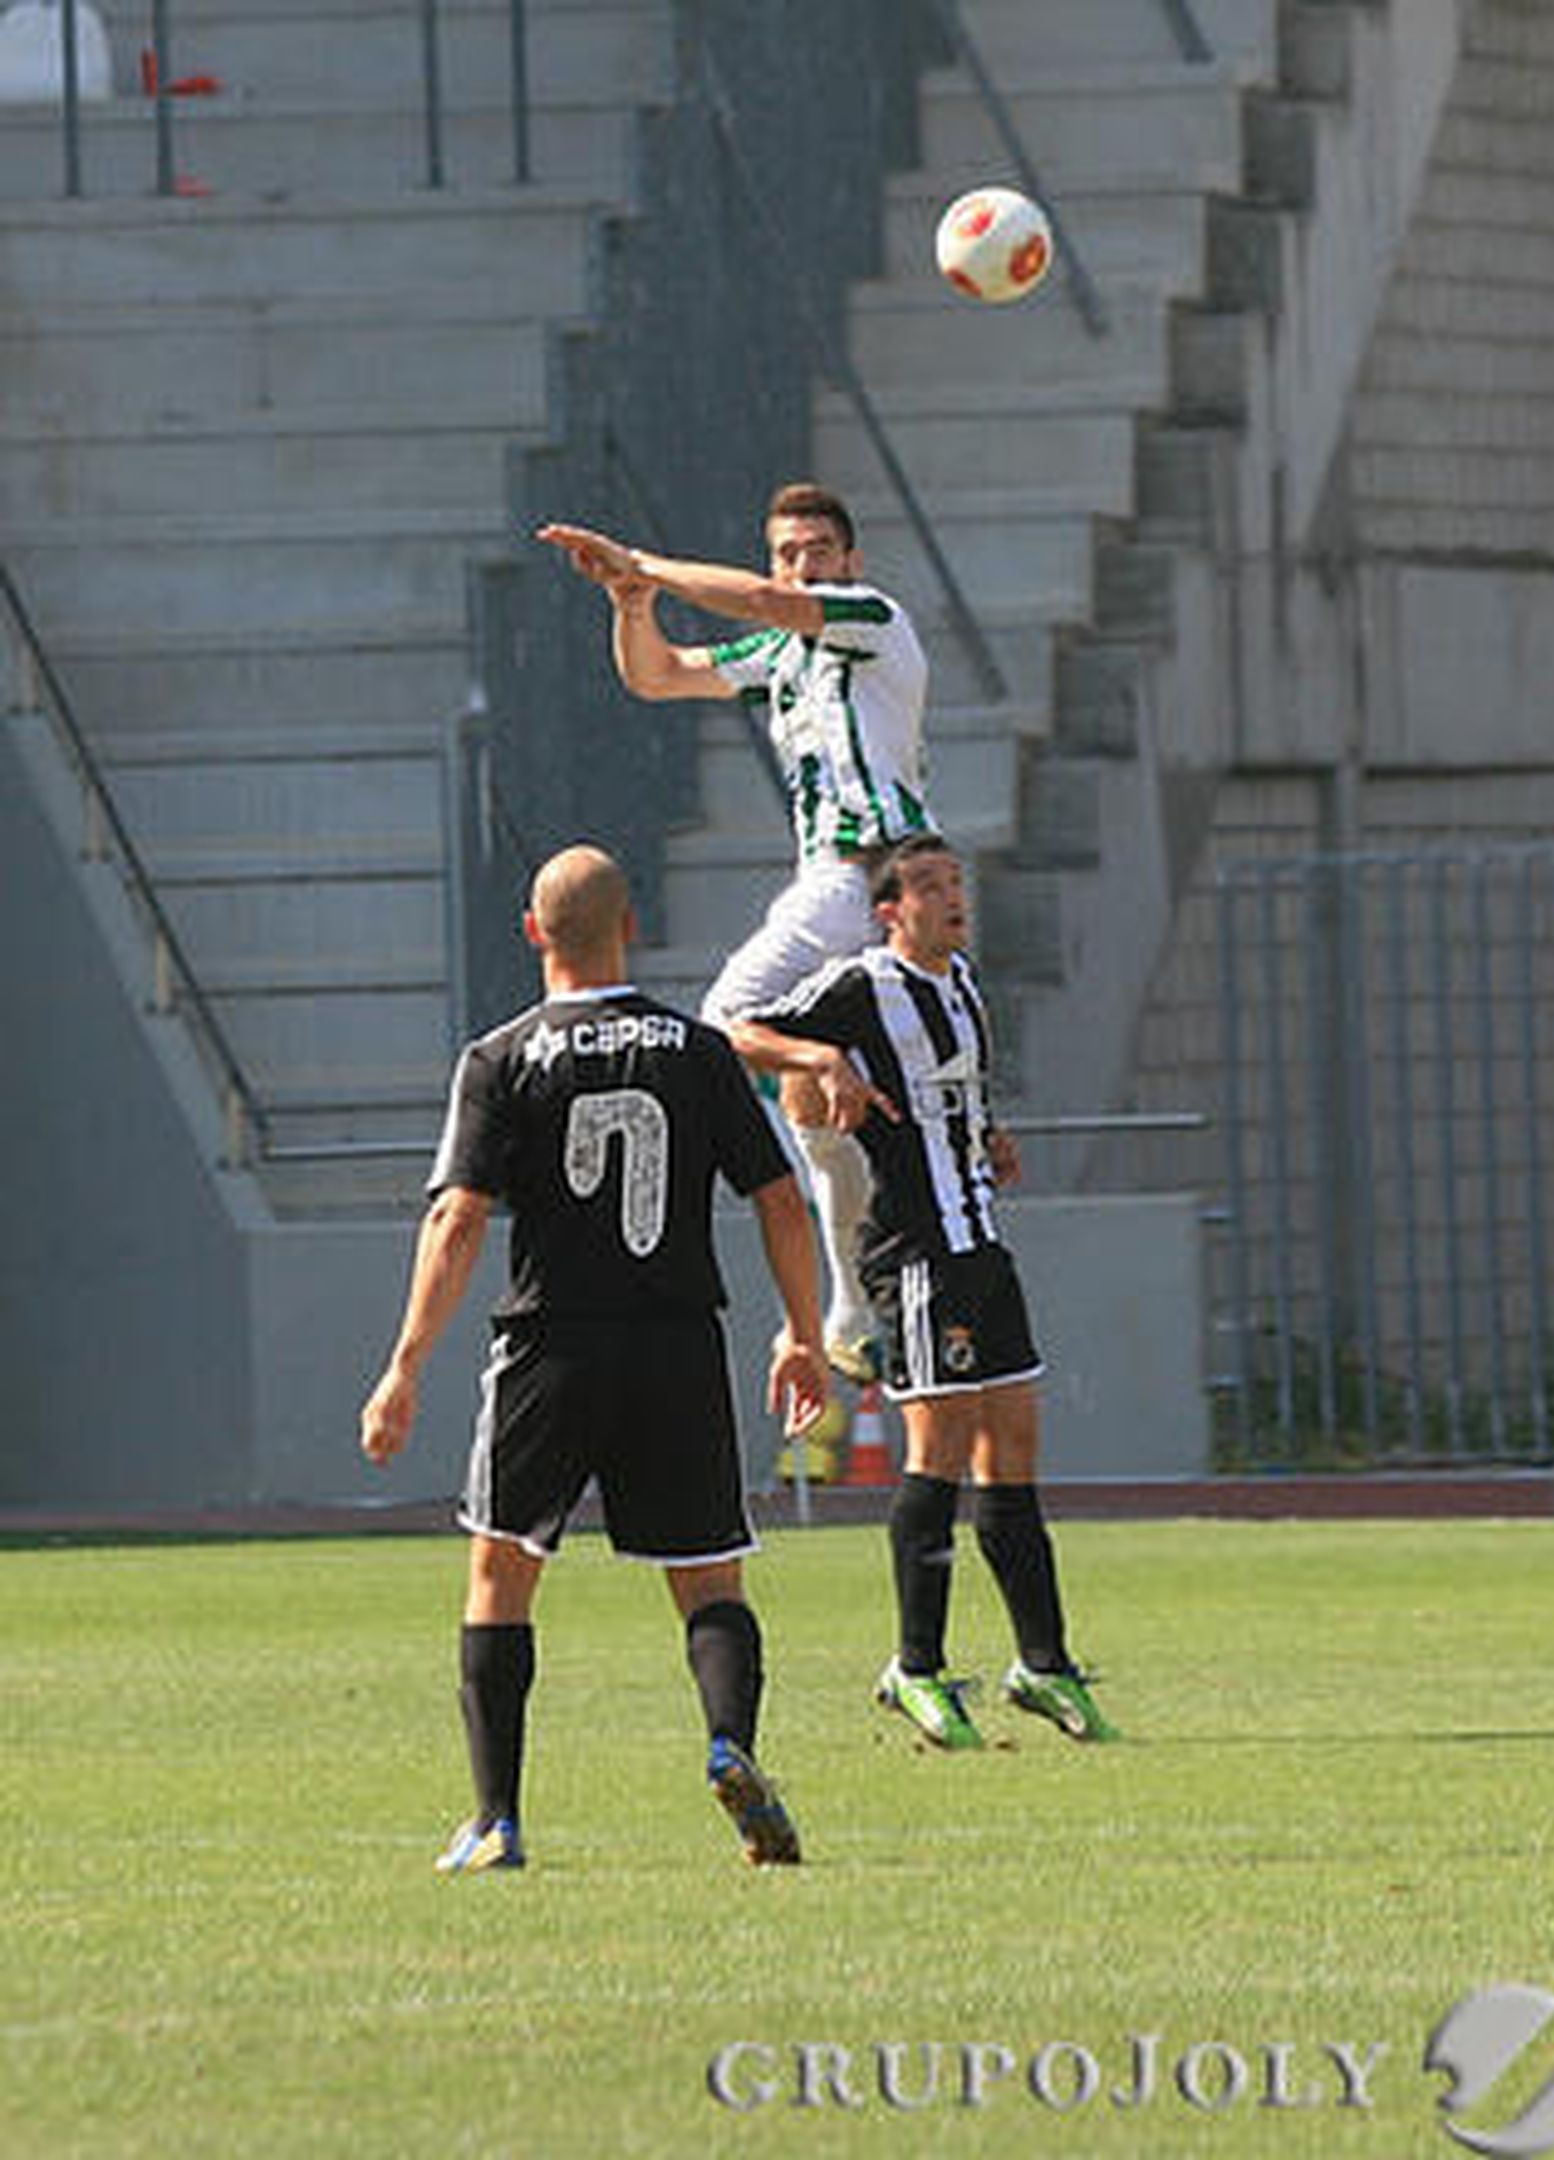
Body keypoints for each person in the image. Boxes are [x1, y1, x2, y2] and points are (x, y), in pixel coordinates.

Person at [360, 843, 828, 1871]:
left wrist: (405, 1365)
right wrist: (801, 1331)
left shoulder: (500, 1057)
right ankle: (729, 1745)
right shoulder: (700, 1051)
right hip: (676, 1342)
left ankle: (497, 1820)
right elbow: (780, 1202)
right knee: (710, 1579)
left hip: (552, 1343)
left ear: (533, 933)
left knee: (500, 1571)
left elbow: (459, 1221)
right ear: (634, 925)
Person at [537, 482, 935, 1388]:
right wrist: (631, 604)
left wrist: (646, 564)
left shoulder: (869, 618)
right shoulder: (781, 657)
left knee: (727, 1019)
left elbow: (761, 602)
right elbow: (657, 675)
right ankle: (858, 1306)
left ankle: (817, 1147)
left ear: (851, 562)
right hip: (844, 890)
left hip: (867, 870)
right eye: (788, 551)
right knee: (818, 1114)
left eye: (819, 549)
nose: (803, 564)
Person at [727, 834, 1119, 1752]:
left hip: (980, 1241)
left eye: (957, 883)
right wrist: (818, 1064)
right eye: (931, 886)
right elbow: (735, 1028)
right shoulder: (862, 985)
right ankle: (916, 1666)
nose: (954, 898)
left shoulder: (964, 985)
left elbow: (957, 1097)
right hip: (912, 1252)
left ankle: (1043, 1663)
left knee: (1014, 1440)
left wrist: (993, 1133)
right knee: (937, 1444)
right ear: (890, 910)